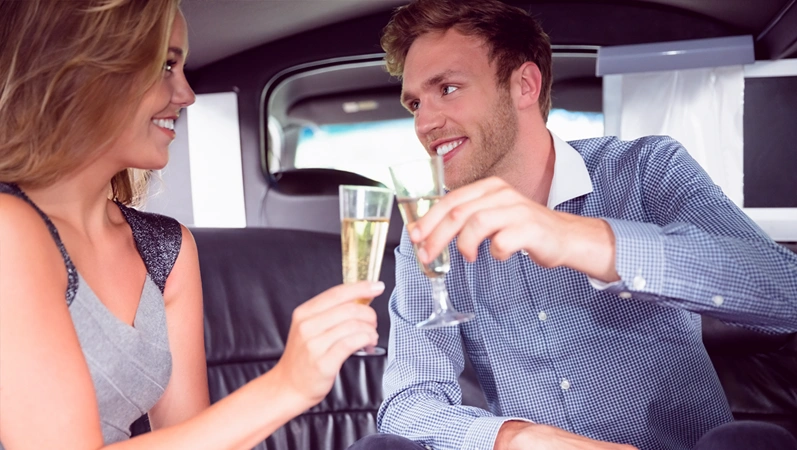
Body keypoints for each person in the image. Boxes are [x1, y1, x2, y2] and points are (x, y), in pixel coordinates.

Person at [348, 0, 797, 449]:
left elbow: (786, 292)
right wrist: (515, 438)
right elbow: (408, 404)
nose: (424, 123)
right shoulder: (430, 229)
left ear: (524, 85)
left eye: (447, 88)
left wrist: (579, 239)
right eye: (414, 104)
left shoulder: (647, 169)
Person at [0, 1, 383, 449]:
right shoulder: (9, 229)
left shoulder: (166, 249)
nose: (186, 94)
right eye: (166, 65)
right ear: (84, 70)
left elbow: (195, 436)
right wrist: (287, 386)